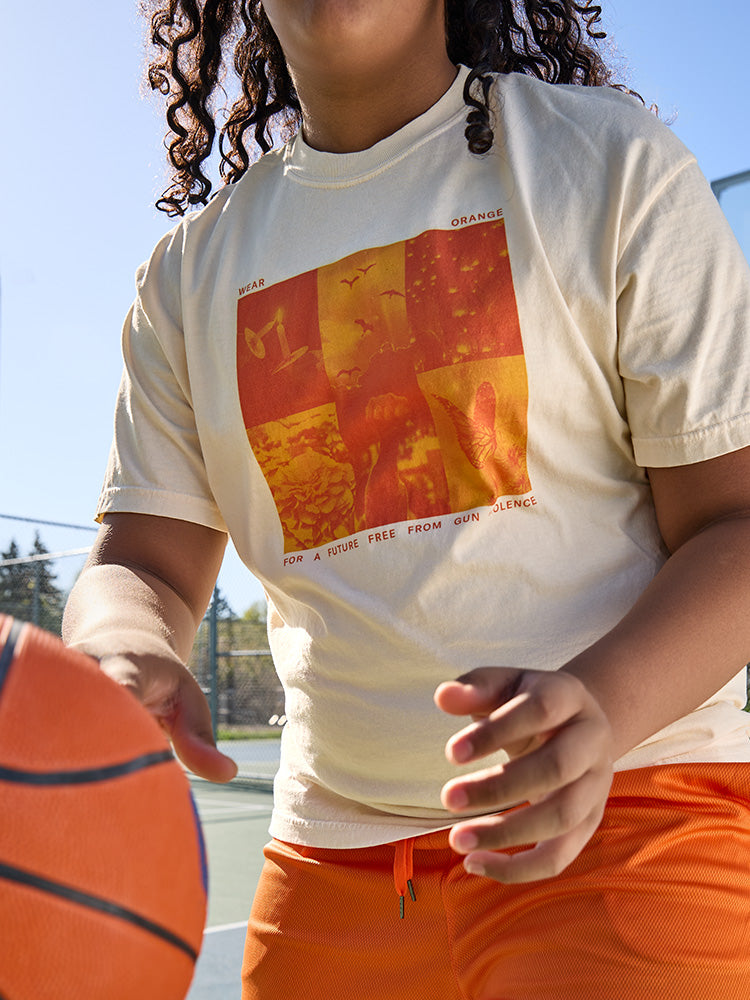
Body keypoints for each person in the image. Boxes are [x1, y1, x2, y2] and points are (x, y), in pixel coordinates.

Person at [63, 1, 750, 997]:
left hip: (635, 807)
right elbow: (142, 563)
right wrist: (119, 643)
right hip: (334, 860)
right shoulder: (187, 278)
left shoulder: (609, 166)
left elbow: (734, 524)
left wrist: (601, 702)